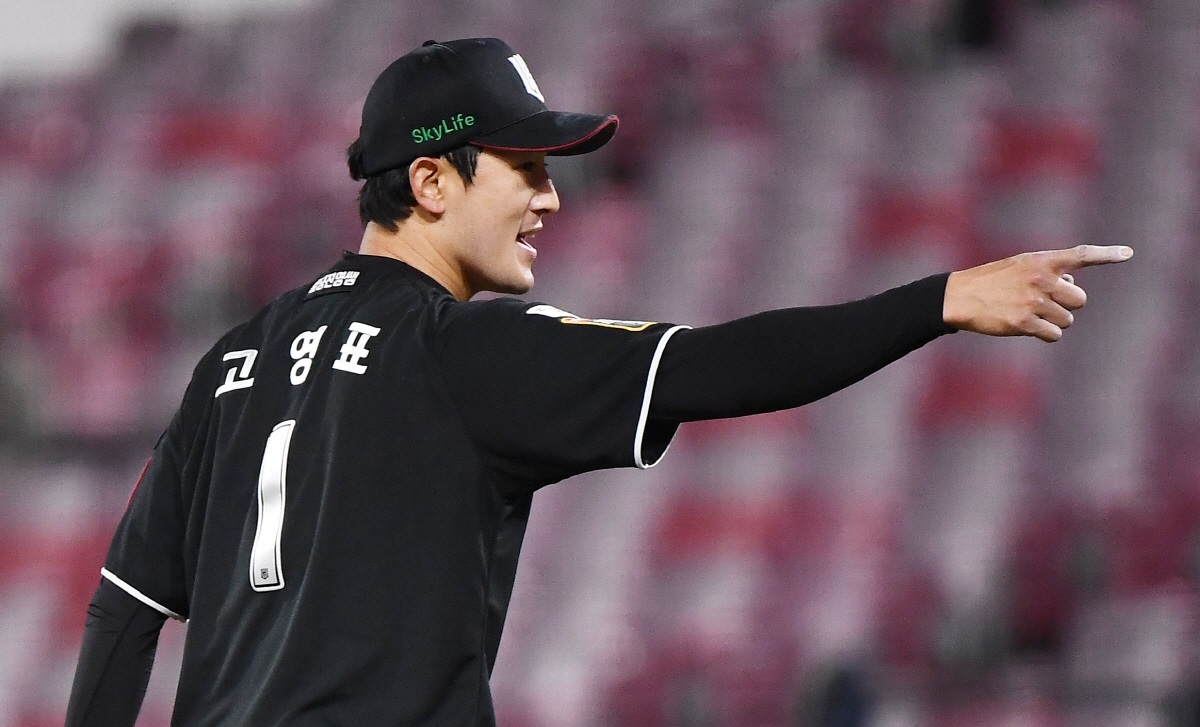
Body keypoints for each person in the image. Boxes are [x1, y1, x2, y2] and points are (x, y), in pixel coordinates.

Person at [64, 37, 1132, 727]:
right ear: (430, 180)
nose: (551, 198)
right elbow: (719, 367)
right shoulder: (460, 350)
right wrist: (940, 299)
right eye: (525, 168)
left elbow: (126, 609)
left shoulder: (235, 359)